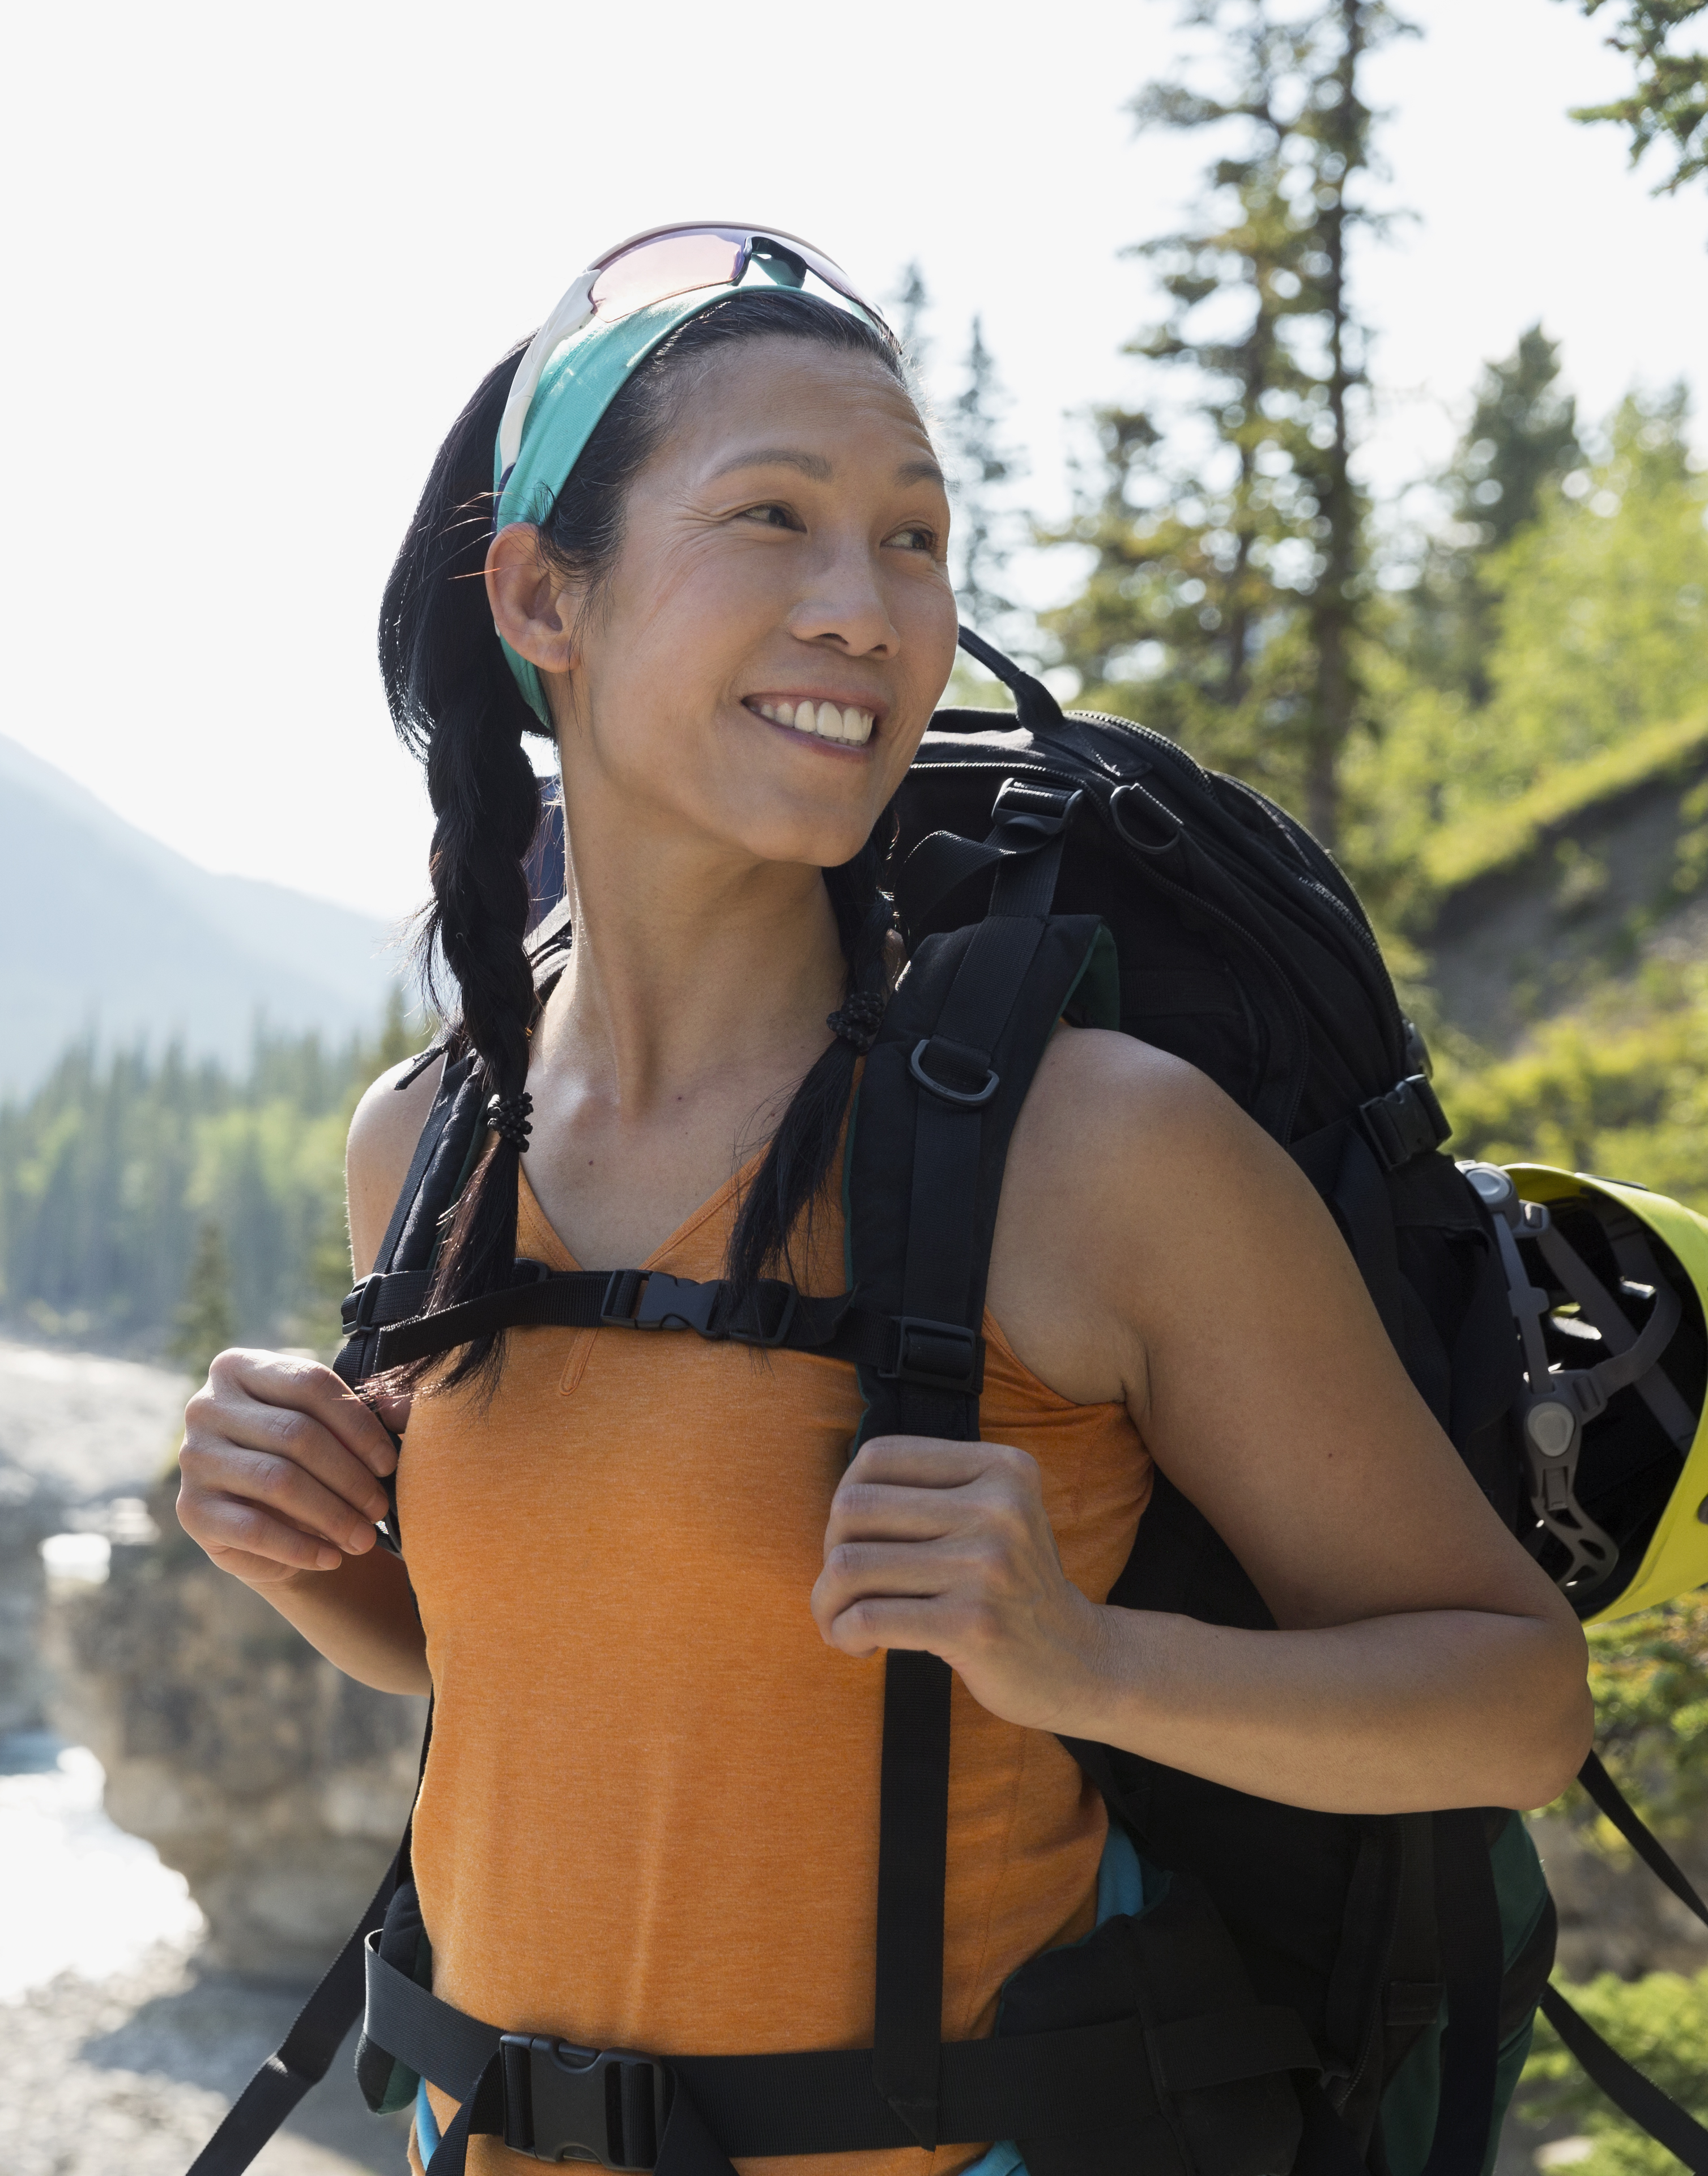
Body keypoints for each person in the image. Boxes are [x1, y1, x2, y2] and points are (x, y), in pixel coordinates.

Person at [174, 225, 1595, 2176]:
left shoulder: (1092, 1153)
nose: (866, 605)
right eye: (773, 517)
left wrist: (1083, 1660)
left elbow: (1513, 1703)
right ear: (539, 596)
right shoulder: (422, 1144)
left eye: (915, 538)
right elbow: (550, 1663)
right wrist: (315, 1543)